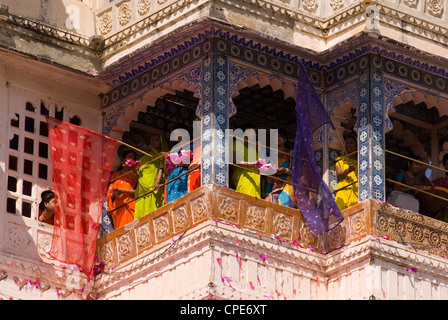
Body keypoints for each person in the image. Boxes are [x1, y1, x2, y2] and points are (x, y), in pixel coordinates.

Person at [134, 134, 166, 220]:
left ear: (161, 143)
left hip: (153, 188)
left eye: (156, 140)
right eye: (152, 140)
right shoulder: (144, 158)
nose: (153, 142)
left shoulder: (162, 156)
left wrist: (157, 183)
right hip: (141, 190)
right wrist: (134, 169)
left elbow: (161, 169)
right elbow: (138, 174)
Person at [264, 130, 297, 208]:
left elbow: (298, 172)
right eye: (275, 136)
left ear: (285, 139)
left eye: (280, 136)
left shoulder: (291, 153)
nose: (277, 138)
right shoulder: (268, 152)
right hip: (271, 183)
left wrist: (285, 170)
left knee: (284, 205)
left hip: (287, 185)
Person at [107, 148, 138, 229]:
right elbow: (110, 193)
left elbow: (139, 191)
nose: (133, 159)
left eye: (134, 158)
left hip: (130, 206)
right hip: (118, 208)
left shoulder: (136, 175)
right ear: (123, 161)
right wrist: (113, 195)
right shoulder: (115, 175)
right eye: (130, 157)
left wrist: (123, 191)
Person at [230, 128, 261, 198]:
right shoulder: (236, 144)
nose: (254, 135)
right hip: (243, 176)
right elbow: (235, 161)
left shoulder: (252, 147)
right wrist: (250, 164)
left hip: (255, 177)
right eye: (253, 132)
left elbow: (260, 161)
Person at [334, 133, 358, 211]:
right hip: (343, 189)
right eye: (347, 143)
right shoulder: (340, 160)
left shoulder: (361, 162)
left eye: (351, 142)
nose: (348, 145)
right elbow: (339, 175)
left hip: (357, 190)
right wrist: (347, 171)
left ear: (356, 145)